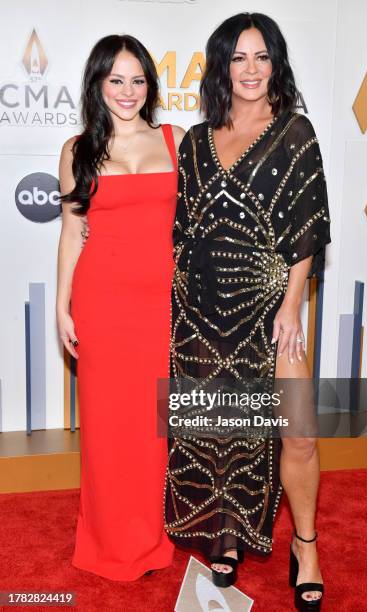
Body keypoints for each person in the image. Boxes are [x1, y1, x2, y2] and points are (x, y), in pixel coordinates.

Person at [164, 13, 331, 610]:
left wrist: (292, 306)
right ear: (222, 67)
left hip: (272, 311)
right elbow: (182, 233)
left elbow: (308, 232)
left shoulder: (295, 133)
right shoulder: (194, 140)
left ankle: (305, 545)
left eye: (262, 57)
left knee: (300, 437)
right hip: (203, 314)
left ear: (275, 63)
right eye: (239, 58)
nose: (251, 69)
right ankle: (227, 532)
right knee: (221, 431)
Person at [56, 34, 185, 581]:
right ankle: (107, 540)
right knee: (108, 427)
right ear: (98, 84)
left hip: (161, 303)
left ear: (150, 85)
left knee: (153, 426)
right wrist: (62, 306)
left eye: (138, 80)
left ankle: (149, 538)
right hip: (102, 301)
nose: (128, 91)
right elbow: (70, 233)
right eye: (116, 80)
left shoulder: (176, 140)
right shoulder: (76, 149)